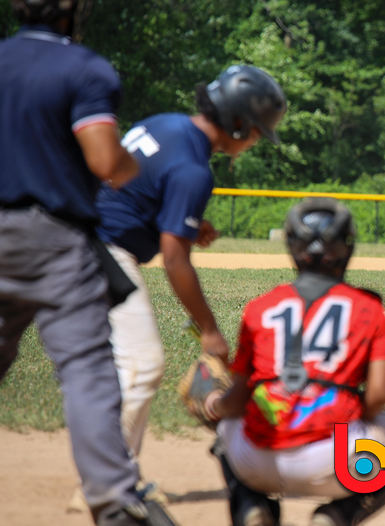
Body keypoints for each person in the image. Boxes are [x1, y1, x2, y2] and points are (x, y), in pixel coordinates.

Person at [0, 0, 169, 526]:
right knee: (87, 372)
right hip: (55, 242)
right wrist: (130, 168)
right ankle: (115, 502)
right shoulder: (84, 68)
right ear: (73, 3)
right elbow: (105, 163)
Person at [89, 65, 286, 485]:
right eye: (256, 131)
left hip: (74, 234)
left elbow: (130, 188)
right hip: (100, 251)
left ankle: (106, 475)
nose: (254, 141)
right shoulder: (195, 170)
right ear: (237, 122)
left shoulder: (165, 123)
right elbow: (175, 261)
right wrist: (210, 330)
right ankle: (110, 483)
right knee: (142, 364)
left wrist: (186, 225)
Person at [195, 198, 385, 526]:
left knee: (229, 426)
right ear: (347, 247)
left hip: (257, 464)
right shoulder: (367, 308)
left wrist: (212, 404)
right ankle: (337, 516)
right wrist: (342, 408)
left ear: (292, 247)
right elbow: (378, 396)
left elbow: (236, 403)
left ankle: (250, 506)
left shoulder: (260, 308)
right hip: (337, 464)